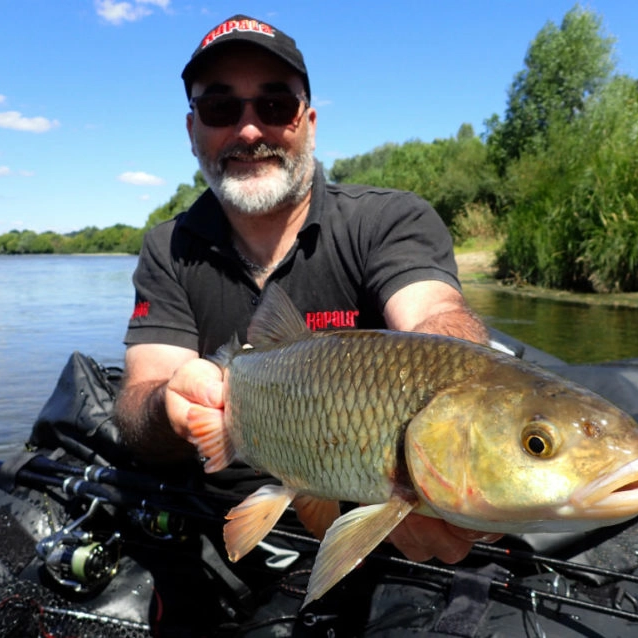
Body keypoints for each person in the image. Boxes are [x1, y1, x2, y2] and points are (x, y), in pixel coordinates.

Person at [114, 14, 495, 571]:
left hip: (377, 528)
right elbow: (138, 398)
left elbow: (434, 312)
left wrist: (455, 422)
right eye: (221, 108)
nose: (249, 131)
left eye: (274, 106)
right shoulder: (168, 246)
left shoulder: (389, 218)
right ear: (193, 129)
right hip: (218, 516)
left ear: (308, 122)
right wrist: (169, 406)